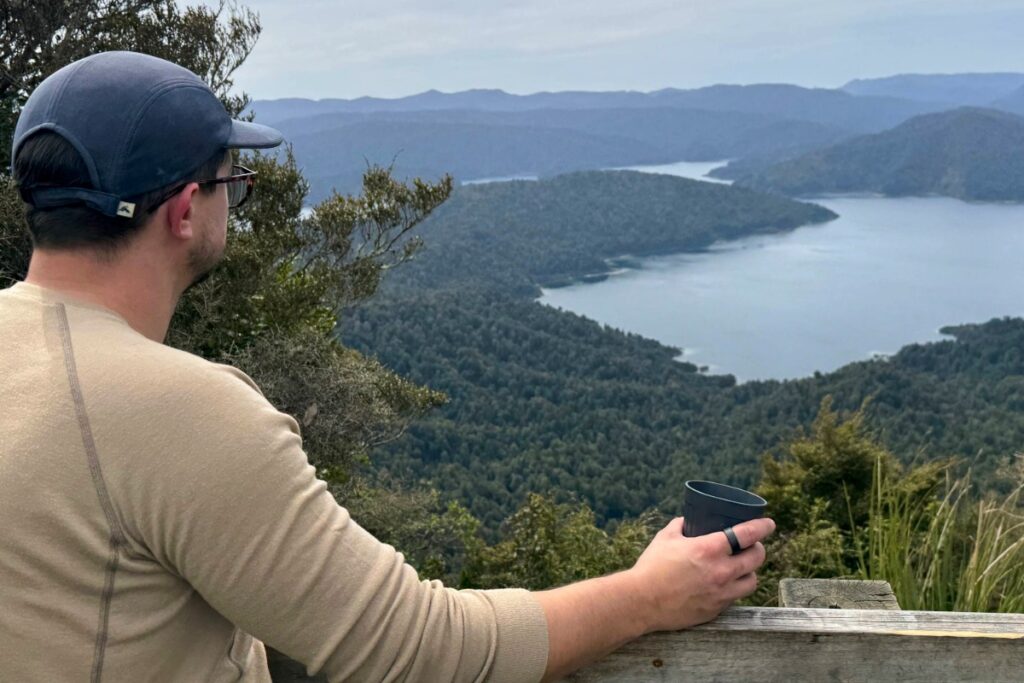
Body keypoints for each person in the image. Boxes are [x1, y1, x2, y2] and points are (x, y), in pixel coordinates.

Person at [0, 51, 775, 682]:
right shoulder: (181, 415)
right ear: (183, 211)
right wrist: (646, 595)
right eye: (232, 182)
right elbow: (418, 650)